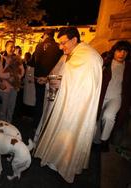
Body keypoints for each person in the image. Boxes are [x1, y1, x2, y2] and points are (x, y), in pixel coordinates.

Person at [33, 27, 103, 183]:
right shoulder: (73, 54)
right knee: (60, 130)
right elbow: (63, 75)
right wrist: (48, 80)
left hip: (77, 106)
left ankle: (64, 164)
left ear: (74, 40)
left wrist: (61, 83)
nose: (60, 47)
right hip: (67, 102)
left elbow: (81, 85)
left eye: (63, 43)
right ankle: (54, 160)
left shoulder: (88, 57)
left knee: (70, 134)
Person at [94, 40, 131, 151]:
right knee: (95, 118)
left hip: (116, 98)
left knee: (109, 117)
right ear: (114, 51)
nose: (122, 54)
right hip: (101, 96)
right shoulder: (105, 62)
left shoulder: (129, 67)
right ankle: (94, 141)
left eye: (125, 51)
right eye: (119, 50)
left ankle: (104, 141)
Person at [32, 29, 62, 129]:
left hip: (40, 79)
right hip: (53, 79)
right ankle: (47, 126)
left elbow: (36, 62)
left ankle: (37, 124)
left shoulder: (39, 46)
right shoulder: (58, 47)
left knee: (39, 102)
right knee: (50, 102)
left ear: (45, 35)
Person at [0, 40, 24, 123]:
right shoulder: (2, 59)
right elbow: (0, 74)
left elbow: (22, 72)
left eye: (13, 47)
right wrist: (12, 74)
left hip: (14, 87)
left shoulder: (17, 59)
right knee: (3, 108)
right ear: (6, 47)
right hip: (4, 88)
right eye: (10, 46)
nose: (12, 49)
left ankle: (8, 125)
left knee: (11, 108)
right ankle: (1, 126)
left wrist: (16, 76)